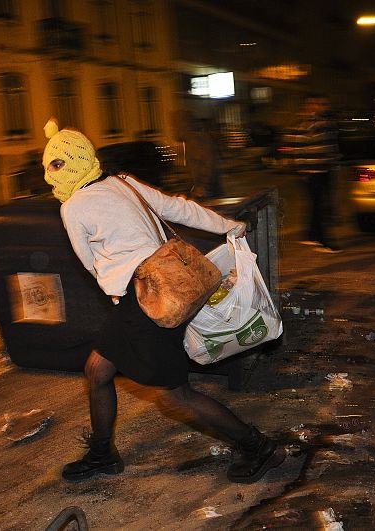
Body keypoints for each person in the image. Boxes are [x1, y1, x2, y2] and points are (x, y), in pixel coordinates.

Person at [41, 118, 286, 484]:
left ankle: (258, 448)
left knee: (176, 396)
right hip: (168, 286)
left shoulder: (73, 207)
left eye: (53, 167)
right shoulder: (122, 182)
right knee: (97, 369)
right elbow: (178, 208)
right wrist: (226, 225)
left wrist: (127, 306)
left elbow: (91, 266)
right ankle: (103, 453)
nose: (50, 176)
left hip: (142, 302)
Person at [284, 93, 343, 253]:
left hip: (326, 170)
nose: (318, 107)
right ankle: (324, 241)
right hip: (313, 172)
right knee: (320, 206)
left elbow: (332, 146)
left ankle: (311, 235)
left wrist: (334, 164)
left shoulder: (328, 122)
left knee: (318, 205)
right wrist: (302, 171)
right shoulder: (305, 124)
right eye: (315, 104)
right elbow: (297, 149)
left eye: (321, 104)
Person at [173, 110, 224, 200]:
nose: (173, 129)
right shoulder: (190, 140)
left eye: (175, 126)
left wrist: (202, 187)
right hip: (204, 192)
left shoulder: (196, 140)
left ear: (184, 124)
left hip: (208, 193)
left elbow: (209, 164)